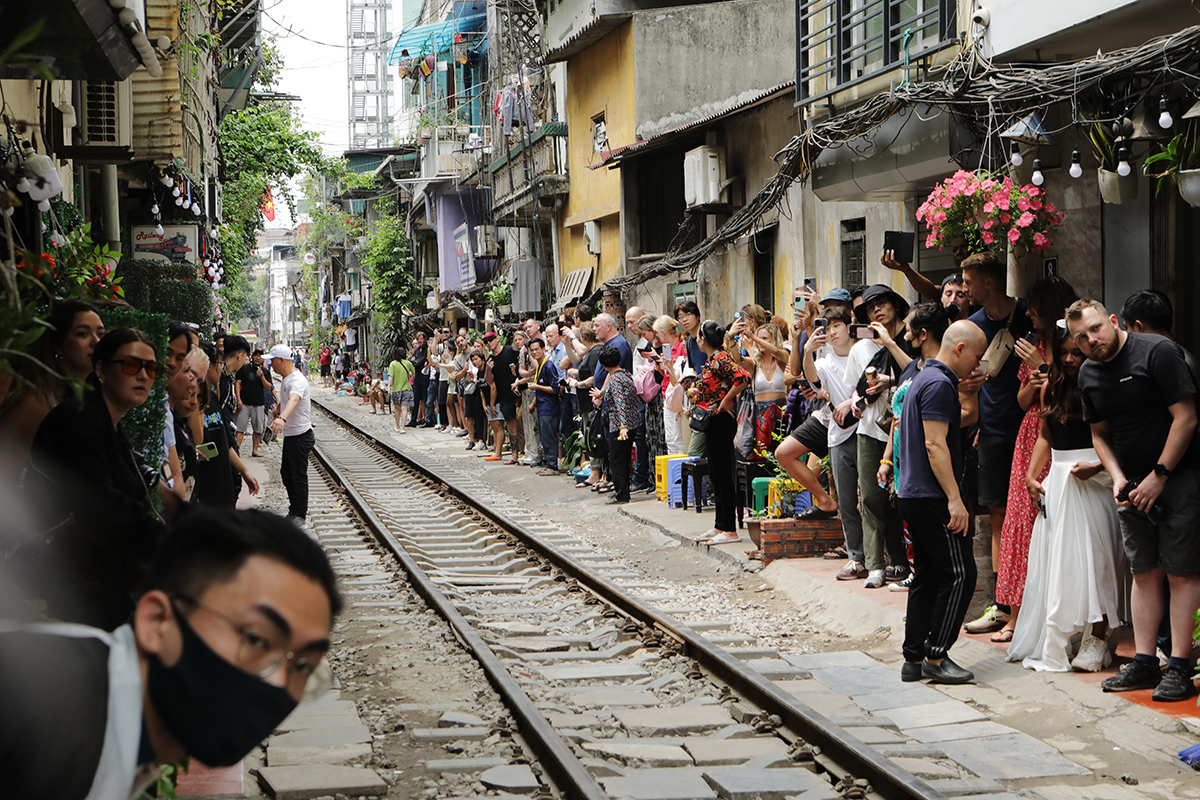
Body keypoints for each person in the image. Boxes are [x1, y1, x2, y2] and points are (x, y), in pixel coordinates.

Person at [0, 506, 340, 800]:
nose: (279, 683)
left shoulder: (112, 730)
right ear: (157, 621)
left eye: (304, 666)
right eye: (256, 639)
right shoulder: (29, 704)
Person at [1069, 299, 1200, 702]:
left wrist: (1160, 476)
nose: (1092, 341)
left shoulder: (1157, 352)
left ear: (1112, 321)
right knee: (1143, 573)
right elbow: (1099, 434)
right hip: (1132, 488)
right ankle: (1144, 662)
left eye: (1096, 329)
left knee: (1181, 573)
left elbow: (1187, 417)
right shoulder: (1088, 374)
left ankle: (1178, 665)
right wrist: (1119, 478)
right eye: (1082, 338)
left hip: (1178, 479)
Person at [25, 328, 169, 630]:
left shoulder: (107, 421)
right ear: (101, 369)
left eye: (152, 368)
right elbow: (102, 505)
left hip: (95, 583)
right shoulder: (80, 420)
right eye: (131, 365)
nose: (143, 375)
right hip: (63, 589)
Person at [1007, 327, 1126, 673]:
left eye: (1078, 352)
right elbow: (1046, 434)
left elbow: (1118, 435)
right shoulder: (1050, 389)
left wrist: (1099, 465)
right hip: (1060, 479)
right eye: (1065, 353)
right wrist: (1032, 474)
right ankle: (1070, 634)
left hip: (1095, 476)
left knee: (1098, 559)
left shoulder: (1103, 385)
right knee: (1060, 563)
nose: (1072, 358)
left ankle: (1098, 636)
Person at [898, 320, 988, 685]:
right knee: (961, 574)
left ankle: (912, 657)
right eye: (977, 357)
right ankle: (936, 655)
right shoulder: (937, 384)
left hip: (915, 493)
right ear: (961, 349)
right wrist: (955, 499)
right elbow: (935, 446)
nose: (979, 365)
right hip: (932, 495)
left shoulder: (926, 378)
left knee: (929, 575)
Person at [990, 276, 1078, 642]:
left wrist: (1045, 366)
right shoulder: (1033, 345)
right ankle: (1015, 613)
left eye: (1037, 309)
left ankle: (1051, 613)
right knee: (1020, 520)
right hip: (1031, 434)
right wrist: (1034, 376)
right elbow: (1025, 401)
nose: (1031, 315)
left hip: (1059, 433)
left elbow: (1063, 390)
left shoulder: (1069, 348)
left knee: (1052, 521)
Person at [959, 251, 1035, 635]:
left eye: (969, 281)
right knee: (998, 517)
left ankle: (1030, 602)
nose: (964, 288)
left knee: (1030, 518)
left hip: (1031, 433)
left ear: (989, 282)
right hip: (991, 433)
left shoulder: (1027, 316)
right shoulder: (971, 328)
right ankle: (1001, 603)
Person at [0, 300, 106, 488]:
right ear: (57, 345)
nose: (96, 342)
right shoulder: (34, 404)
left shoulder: (96, 401)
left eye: (101, 334)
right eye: (83, 334)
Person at [847, 284, 911, 589]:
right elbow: (855, 391)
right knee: (871, 496)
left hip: (904, 431)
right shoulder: (861, 349)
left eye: (883, 303)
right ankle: (875, 564)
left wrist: (891, 379)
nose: (878, 310)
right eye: (871, 308)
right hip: (870, 429)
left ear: (896, 306)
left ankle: (901, 561)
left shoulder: (911, 338)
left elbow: (919, 372)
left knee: (904, 500)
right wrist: (857, 403)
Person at [801, 306, 866, 577]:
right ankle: (857, 557)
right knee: (847, 500)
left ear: (849, 325)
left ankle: (884, 556)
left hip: (867, 433)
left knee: (874, 500)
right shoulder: (825, 361)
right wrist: (807, 351)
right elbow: (813, 380)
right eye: (827, 328)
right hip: (839, 435)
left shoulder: (864, 352)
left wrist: (853, 400)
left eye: (836, 326)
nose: (831, 332)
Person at [688, 320, 751, 545]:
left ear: (703, 340)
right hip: (711, 422)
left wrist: (725, 401)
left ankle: (730, 530)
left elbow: (743, 377)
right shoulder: (713, 359)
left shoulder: (720, 358)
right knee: (716, 474)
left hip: (721, 421)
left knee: (723, 475)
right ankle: (719, 524)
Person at [193, 343, 260, 509]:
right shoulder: (190, 404)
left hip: (222, 480)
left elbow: (225, 442)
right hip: (202, 484)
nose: (221, 369)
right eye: (219, 364)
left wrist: (244, 471)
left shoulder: (213, 398)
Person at [269, 345, 315, 526]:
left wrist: (282, 418)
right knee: (287, 474)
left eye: (272, 360)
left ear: (281, 360)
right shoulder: (287, 378)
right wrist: (279, 408)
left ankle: (299, 515)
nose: (270, 365)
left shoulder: (296, 380)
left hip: (300, 435)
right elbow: (289, 399)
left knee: (298, 476)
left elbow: (295, 398)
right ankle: (294, 510)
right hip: (292, 436)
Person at [598, 345, 639, 504]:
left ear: (603, 365)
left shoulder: (614, 379)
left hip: (620, 425)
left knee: (617, 459)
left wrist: (623, 425)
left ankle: (622, 494)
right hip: (633, 422)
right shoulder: (626, 374)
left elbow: (620, 401)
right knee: (623, 458)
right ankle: (623, 491)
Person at [567, 322, 604, 486]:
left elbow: (594, 378)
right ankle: (595, 471)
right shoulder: (591, 352)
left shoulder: (595, 352)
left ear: (583, 337)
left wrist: (577, 384)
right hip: (587, 403)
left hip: (591, 403)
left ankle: (596, 472)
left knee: (592, 437)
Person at [482, 332, 521, 463]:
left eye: (491, 340)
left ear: (497, 339)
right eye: (486, 341)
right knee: (511, 428)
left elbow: (521, 365)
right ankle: (514, 455)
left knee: (524, 424)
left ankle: (525, 451)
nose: (489, 343)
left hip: (518, 392)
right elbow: (489, 381)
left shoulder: (510, 351)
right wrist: (488, 369)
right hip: (504, 396)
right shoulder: (490, 360)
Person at [652, 315, 688, 455]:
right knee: (670, 438)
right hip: (668, 393)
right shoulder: (670, 347)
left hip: (677, 395)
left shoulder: (681, 347)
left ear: (664, 333)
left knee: (678, 437)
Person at [527, 337, 562, 475]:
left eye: (537, 349)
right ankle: (549, 463)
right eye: (532, 350)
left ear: (543, 349)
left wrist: (537, 387)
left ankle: (553, 466)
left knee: (549, 437)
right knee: (544, 436)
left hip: (549, 407)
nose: (535, 352)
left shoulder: (548, 366)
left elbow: (555, 388)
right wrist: (533, 404)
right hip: (542, 406)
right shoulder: (540, 366)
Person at [235, 348, 273, 458]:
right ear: (251, 356)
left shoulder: (265, 372)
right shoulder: (244, 369)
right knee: (240, 429)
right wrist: (239, 399)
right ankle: (237, 450)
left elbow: (268, 387)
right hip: (245, 404)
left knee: (258, 429)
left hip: (259, 404)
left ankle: (255, 450)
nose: (257, 357)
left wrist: (261, 377)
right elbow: (237, 383)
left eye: (260, 356)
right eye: (255, 355)